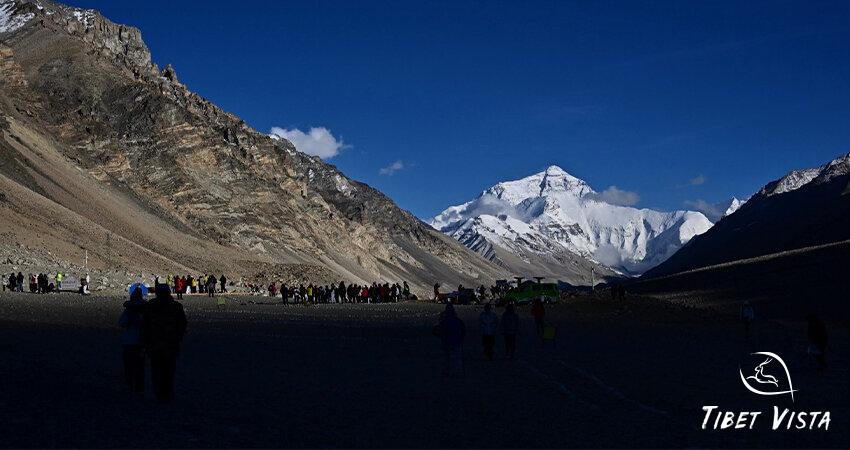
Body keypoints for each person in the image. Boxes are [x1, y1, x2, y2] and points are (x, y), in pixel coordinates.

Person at [142, 284, 187, 403]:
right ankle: (168, 393)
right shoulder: (176, 306)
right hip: (170, 344)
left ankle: (159, 393)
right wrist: (178, 337)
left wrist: (146, 342)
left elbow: (145, 326)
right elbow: (182, 324)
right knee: (169, 370)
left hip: (155, 344)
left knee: (156, 370)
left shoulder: (150, 306)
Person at [119, 287, 147, 395]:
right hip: (139, 342)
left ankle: (130, 385)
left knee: (129, 365)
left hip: (130, 342)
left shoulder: (129, 311)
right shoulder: (144, 312)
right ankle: (139, 388)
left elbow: (121, 323)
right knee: (139, 366)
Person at [433, 303, 466, 376]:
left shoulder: (444, 321)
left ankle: (447, 371)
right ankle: (457, 372)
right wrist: (461, 339)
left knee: (446, 358)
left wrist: (441, 336)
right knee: (456, 359)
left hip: (446, 342)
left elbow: (437, 331)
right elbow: (463, 330)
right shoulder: (458, 321)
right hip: (456, 342)